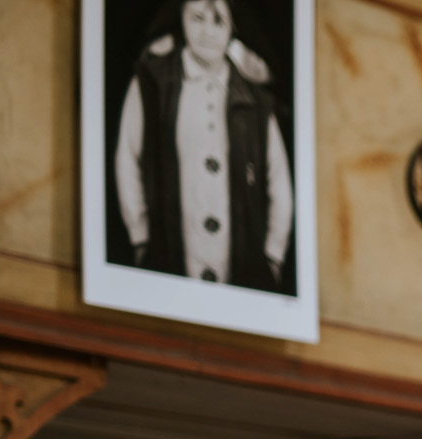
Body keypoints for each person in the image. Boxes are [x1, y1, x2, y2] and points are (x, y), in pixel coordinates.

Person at [113, 0, 295, 292]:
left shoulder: (256, 101)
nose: (207, 32)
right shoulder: (153, 84)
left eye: (218, 21)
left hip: (239, 268)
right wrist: (140, 235)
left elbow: (279, 183)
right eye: (198, 18)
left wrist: (272, 256)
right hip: (169, 259)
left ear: (232, 28)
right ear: (181, 19)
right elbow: (127, 158)